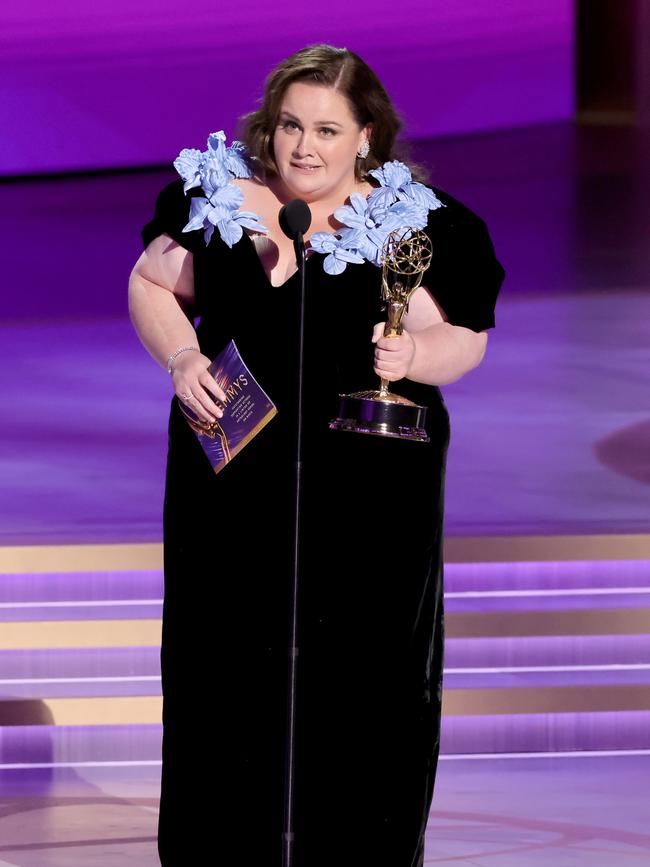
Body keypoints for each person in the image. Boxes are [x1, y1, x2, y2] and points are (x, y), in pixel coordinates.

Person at [129, 43, 505, 867]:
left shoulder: (425, 226)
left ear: (366, 137)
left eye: (327, 130)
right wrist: (181, 359)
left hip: (369, 492)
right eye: (290, 125)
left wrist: (415, 361)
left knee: (362, 682)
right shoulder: (217, 200)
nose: (304, 147)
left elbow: (463, 339)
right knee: (223, 671)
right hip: (230, 482)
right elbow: (152, 283)